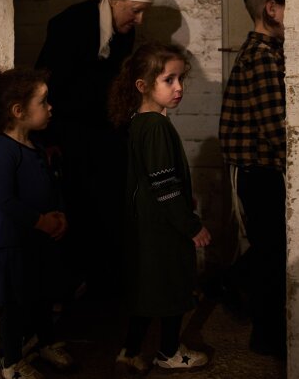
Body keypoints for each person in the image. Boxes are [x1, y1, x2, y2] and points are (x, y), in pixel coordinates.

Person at [35, 0, 154, 298]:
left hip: (105, 131)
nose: (139, 20)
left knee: (112, 205)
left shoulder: (123, 34)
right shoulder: (71, 24)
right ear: (114, 0)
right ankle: (81, 284)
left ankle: (107, 283)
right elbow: (48, 82)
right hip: (70, 133)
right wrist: (46, 139)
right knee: (81, 207)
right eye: (136, 10)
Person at [107, 43, 212, 373]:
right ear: (143, 85)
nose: (179, 87)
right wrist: (191, 224)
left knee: (149, 288)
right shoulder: (155, 126)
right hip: (162, 228)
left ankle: (129, 350)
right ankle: (169, 352)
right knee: (172, 288)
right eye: (169, 80)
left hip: (148, 224)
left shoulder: (139, 122)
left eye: (181, 79)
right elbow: (164, 186)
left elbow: (156, 181)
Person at [0, 67, 75, 379]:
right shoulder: (3, 152)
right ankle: (11, 364)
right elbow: (6, 203)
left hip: (38, 242)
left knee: (42, 297)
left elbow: (51, 186)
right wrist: (40, 221)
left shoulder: (34, 146)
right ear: (19, 111)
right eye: (44, 101)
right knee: (16, 308)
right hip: (16, 245)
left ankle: (45, 343)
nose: (51, 108)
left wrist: (59, 214)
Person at [218, 0, 287, 359]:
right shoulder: (261, 57)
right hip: (258, 172)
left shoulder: (268, 51)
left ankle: (229, 281)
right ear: (271, 9)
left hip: (259, 171)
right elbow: (275, 128)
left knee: (268, 249)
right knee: (271, 256)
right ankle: (266, 335)